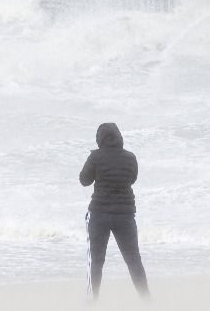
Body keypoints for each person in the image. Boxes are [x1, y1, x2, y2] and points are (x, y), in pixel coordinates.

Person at [80, 123, 150, 300]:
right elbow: (132, 178)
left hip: (99, 215)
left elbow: (84, 180)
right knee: (133, 259)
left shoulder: (95, 157)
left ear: (99, 139)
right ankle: (147, 300)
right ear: (119, 137)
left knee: (96, 261)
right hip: (125, 215)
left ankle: (92, 301)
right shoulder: (130, 157)